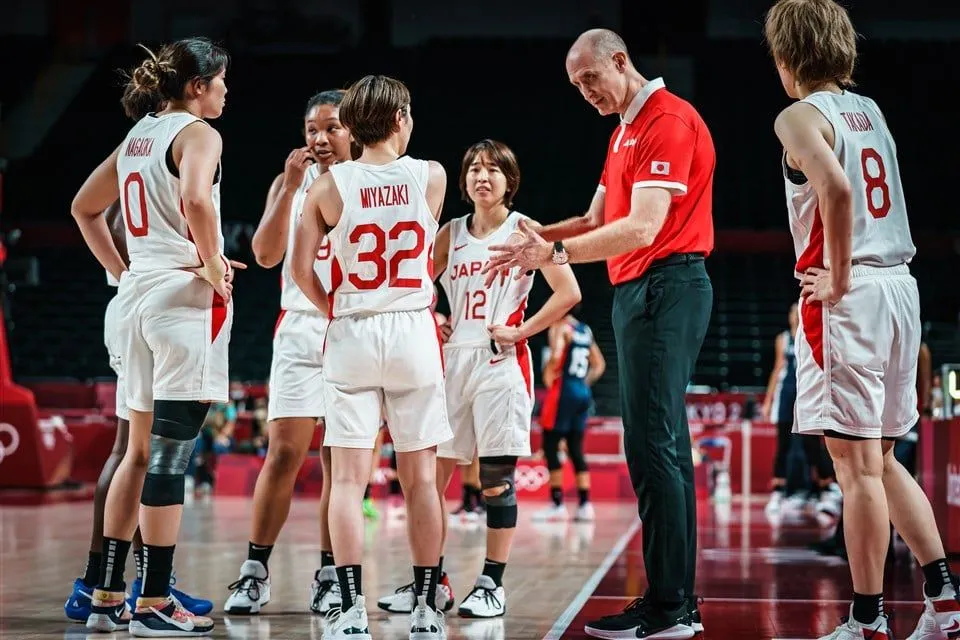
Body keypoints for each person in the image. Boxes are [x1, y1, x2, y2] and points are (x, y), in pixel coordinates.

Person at [484, 28, 713, 638]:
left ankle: (668, 606)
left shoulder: (668, 120)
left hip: (667, 284)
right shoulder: (622, 133)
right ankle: (677, 600)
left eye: (590, 77)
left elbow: (642, 227)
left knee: (653, 445)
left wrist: (553, 252)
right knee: (662, 446)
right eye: (575, 85)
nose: (584, 91)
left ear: (620, 60)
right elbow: (594, 219)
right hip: (641, 291)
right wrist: (532, 238)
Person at [764, 2, 960, 638]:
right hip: (901, 287)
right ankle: (944, 597)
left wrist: (840, 279)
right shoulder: (869, 110)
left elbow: (837, 190)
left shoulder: (798, 115)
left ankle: (868, 619)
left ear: (785, 57)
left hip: (853, 298)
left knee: (855, 470)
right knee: (883, 458)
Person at [71, 37, 236, 636]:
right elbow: (195, 198)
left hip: (135, 297)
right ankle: (155, 601)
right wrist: (213, 264)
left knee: (136, 455)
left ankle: (107, 595)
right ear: (197, 86)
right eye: (221, 80)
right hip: (179, 302)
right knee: (169, 457)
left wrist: (124, 272)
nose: (226, 90)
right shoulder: (199, 133)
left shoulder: (138, 134)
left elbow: (83, 209)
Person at [378, 139, 581, 619]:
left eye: (492, 169)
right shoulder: (449, 232)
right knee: (430, 480)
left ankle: (492, 583)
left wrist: (522, 331)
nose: (481, 177)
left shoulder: (525, 229)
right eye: (473, 169)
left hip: (500, 362)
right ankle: (431, 581)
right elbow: (414, 285)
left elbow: (568, 292)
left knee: (495, 480)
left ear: (510, 181)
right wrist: (434, 315)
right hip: (451, 363)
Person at [292, 74, 450, 640]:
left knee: (347, 483)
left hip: (353, 328)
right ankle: (427, 609)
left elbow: (299, 270)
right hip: (412, 329)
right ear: (401, 119)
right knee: (421, 481)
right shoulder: (432, 175)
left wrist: (333, 307)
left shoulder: (327, 187)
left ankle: (351, 609)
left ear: (352, 125)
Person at [224, 89, 353, 617]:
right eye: (311, 130)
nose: (320, 138)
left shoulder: (369, 181)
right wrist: (290, 187)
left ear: (354, 129)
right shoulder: (288, 183)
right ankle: (254, 572)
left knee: (339, 461)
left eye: (331, 127)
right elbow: (263, 254)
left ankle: (329, 574)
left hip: (350, 327)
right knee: (282, 455)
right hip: (299, 325)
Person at [64, 203, 211, 623]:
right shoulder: (155, 168)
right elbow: (107, 219)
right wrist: (145, 271)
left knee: (134, 451)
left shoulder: (141, 170)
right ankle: (98, 581)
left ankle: (132, 582)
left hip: (137, 302)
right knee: (134, 451)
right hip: (144, 302)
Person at [535, 304, 605, 522]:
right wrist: (583, 384)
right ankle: (585, 505)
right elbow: (599, 364)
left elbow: (556, 356)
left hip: (563, 391)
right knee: (576, 448)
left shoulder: (560, 327)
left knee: (550, 446)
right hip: (582, 392)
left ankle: (557, 504)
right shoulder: (585, 330)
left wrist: (548, 376)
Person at [762, 303, 801, 515]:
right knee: (783, 443)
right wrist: (768, 400)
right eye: (793, 312)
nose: (796, 316)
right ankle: (778, 492)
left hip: (804, 394)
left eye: (799, 312)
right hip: (786, 394)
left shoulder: (810, 334)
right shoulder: (783, 339)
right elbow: (777, 368)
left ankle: (820, 491)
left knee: (810, 444)